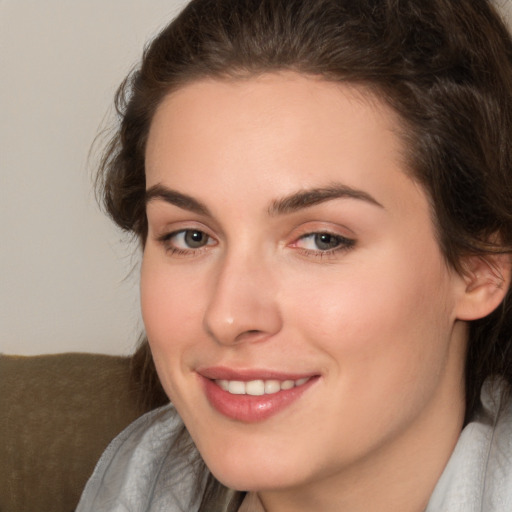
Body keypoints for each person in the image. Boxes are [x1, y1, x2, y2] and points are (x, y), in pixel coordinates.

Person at [77, 0, 512, 510]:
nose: (228, 316)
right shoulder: (134, 479)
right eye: (191, 236)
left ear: (480, 266)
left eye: (321, 239)